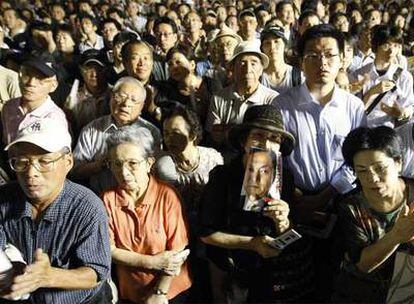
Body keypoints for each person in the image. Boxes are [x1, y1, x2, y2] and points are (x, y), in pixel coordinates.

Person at [273, 24, 367, 300]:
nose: (322, 63)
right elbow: (276, 157)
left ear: (342, 59)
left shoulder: (353, 107)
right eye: (313, 55)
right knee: (298, 275)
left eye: (329, 55)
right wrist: (294, 194)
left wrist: (326, 195)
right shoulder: (282, 105)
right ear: (300, 60)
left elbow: (356, 161)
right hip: (294, 202)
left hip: (341, 202)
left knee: (334, 273)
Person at [200, 105, 314, 303]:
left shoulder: (284, 177)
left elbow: (289, 230)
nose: (266, 144)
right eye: (259, 135)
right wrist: (252, 244)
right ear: (244, 141)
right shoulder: (223, 176)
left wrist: (283, 221)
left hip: (270, 271)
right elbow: (205, 234)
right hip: (230, 266)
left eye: (274, 139)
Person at [0, 118, 111, 303]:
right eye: (21, 162)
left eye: (44, 161)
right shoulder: (4, 198)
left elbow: (94, 273)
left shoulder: (87, 207)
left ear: (68, 162)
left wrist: (48, 276)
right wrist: (14, 266)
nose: (31, 173)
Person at [102, 126, 191, 304]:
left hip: (170, 291)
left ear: (149, 163)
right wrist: (152, 262)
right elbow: (109, 250)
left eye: (132, 163)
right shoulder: (107, 199)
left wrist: (159, 293)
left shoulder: (167, 196)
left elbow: (177, 254)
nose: (124, 172)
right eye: (117, 164)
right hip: (130, 292)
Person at [334, 126, 414, 302]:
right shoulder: (351, 208)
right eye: (362, 171)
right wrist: (396, 236)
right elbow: (362, 265)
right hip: (368, 294)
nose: (373, 179)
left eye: (380, 168)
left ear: (398, 162)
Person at [72, 76, 161, 194]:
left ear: (142, 107)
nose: (126, 104)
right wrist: (101, 164)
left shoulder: (151, 132)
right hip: (100, 199)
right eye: (121, 96)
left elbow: (155, 171)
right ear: (111, 98)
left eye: (134, 100)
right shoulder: (91, 130)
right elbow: (74, 171)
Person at [206, 41, 278, 149]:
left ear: (261, 70)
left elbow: (271, 139)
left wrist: (229, 130)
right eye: (242, 63)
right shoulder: (219, 98)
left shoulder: (272, 99)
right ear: (233, 69)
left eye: (253, 63)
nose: (248, 70)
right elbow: (215, 135)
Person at [353, 25, 414, 128]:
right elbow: (353, 111)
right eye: (386, 46)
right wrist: (372, 92)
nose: (391, 51)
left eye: (395, 46)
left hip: (389, 134)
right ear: (375, 46)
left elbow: (409, 108)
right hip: (362, 131)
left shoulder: (404, 77)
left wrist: (401, 113)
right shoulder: (359, 74)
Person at [1, 56, 68, 145]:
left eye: (40, 79)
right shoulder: (9, 107)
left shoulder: (54, 118)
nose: (31, 83)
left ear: (53, 86)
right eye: (27, 75)